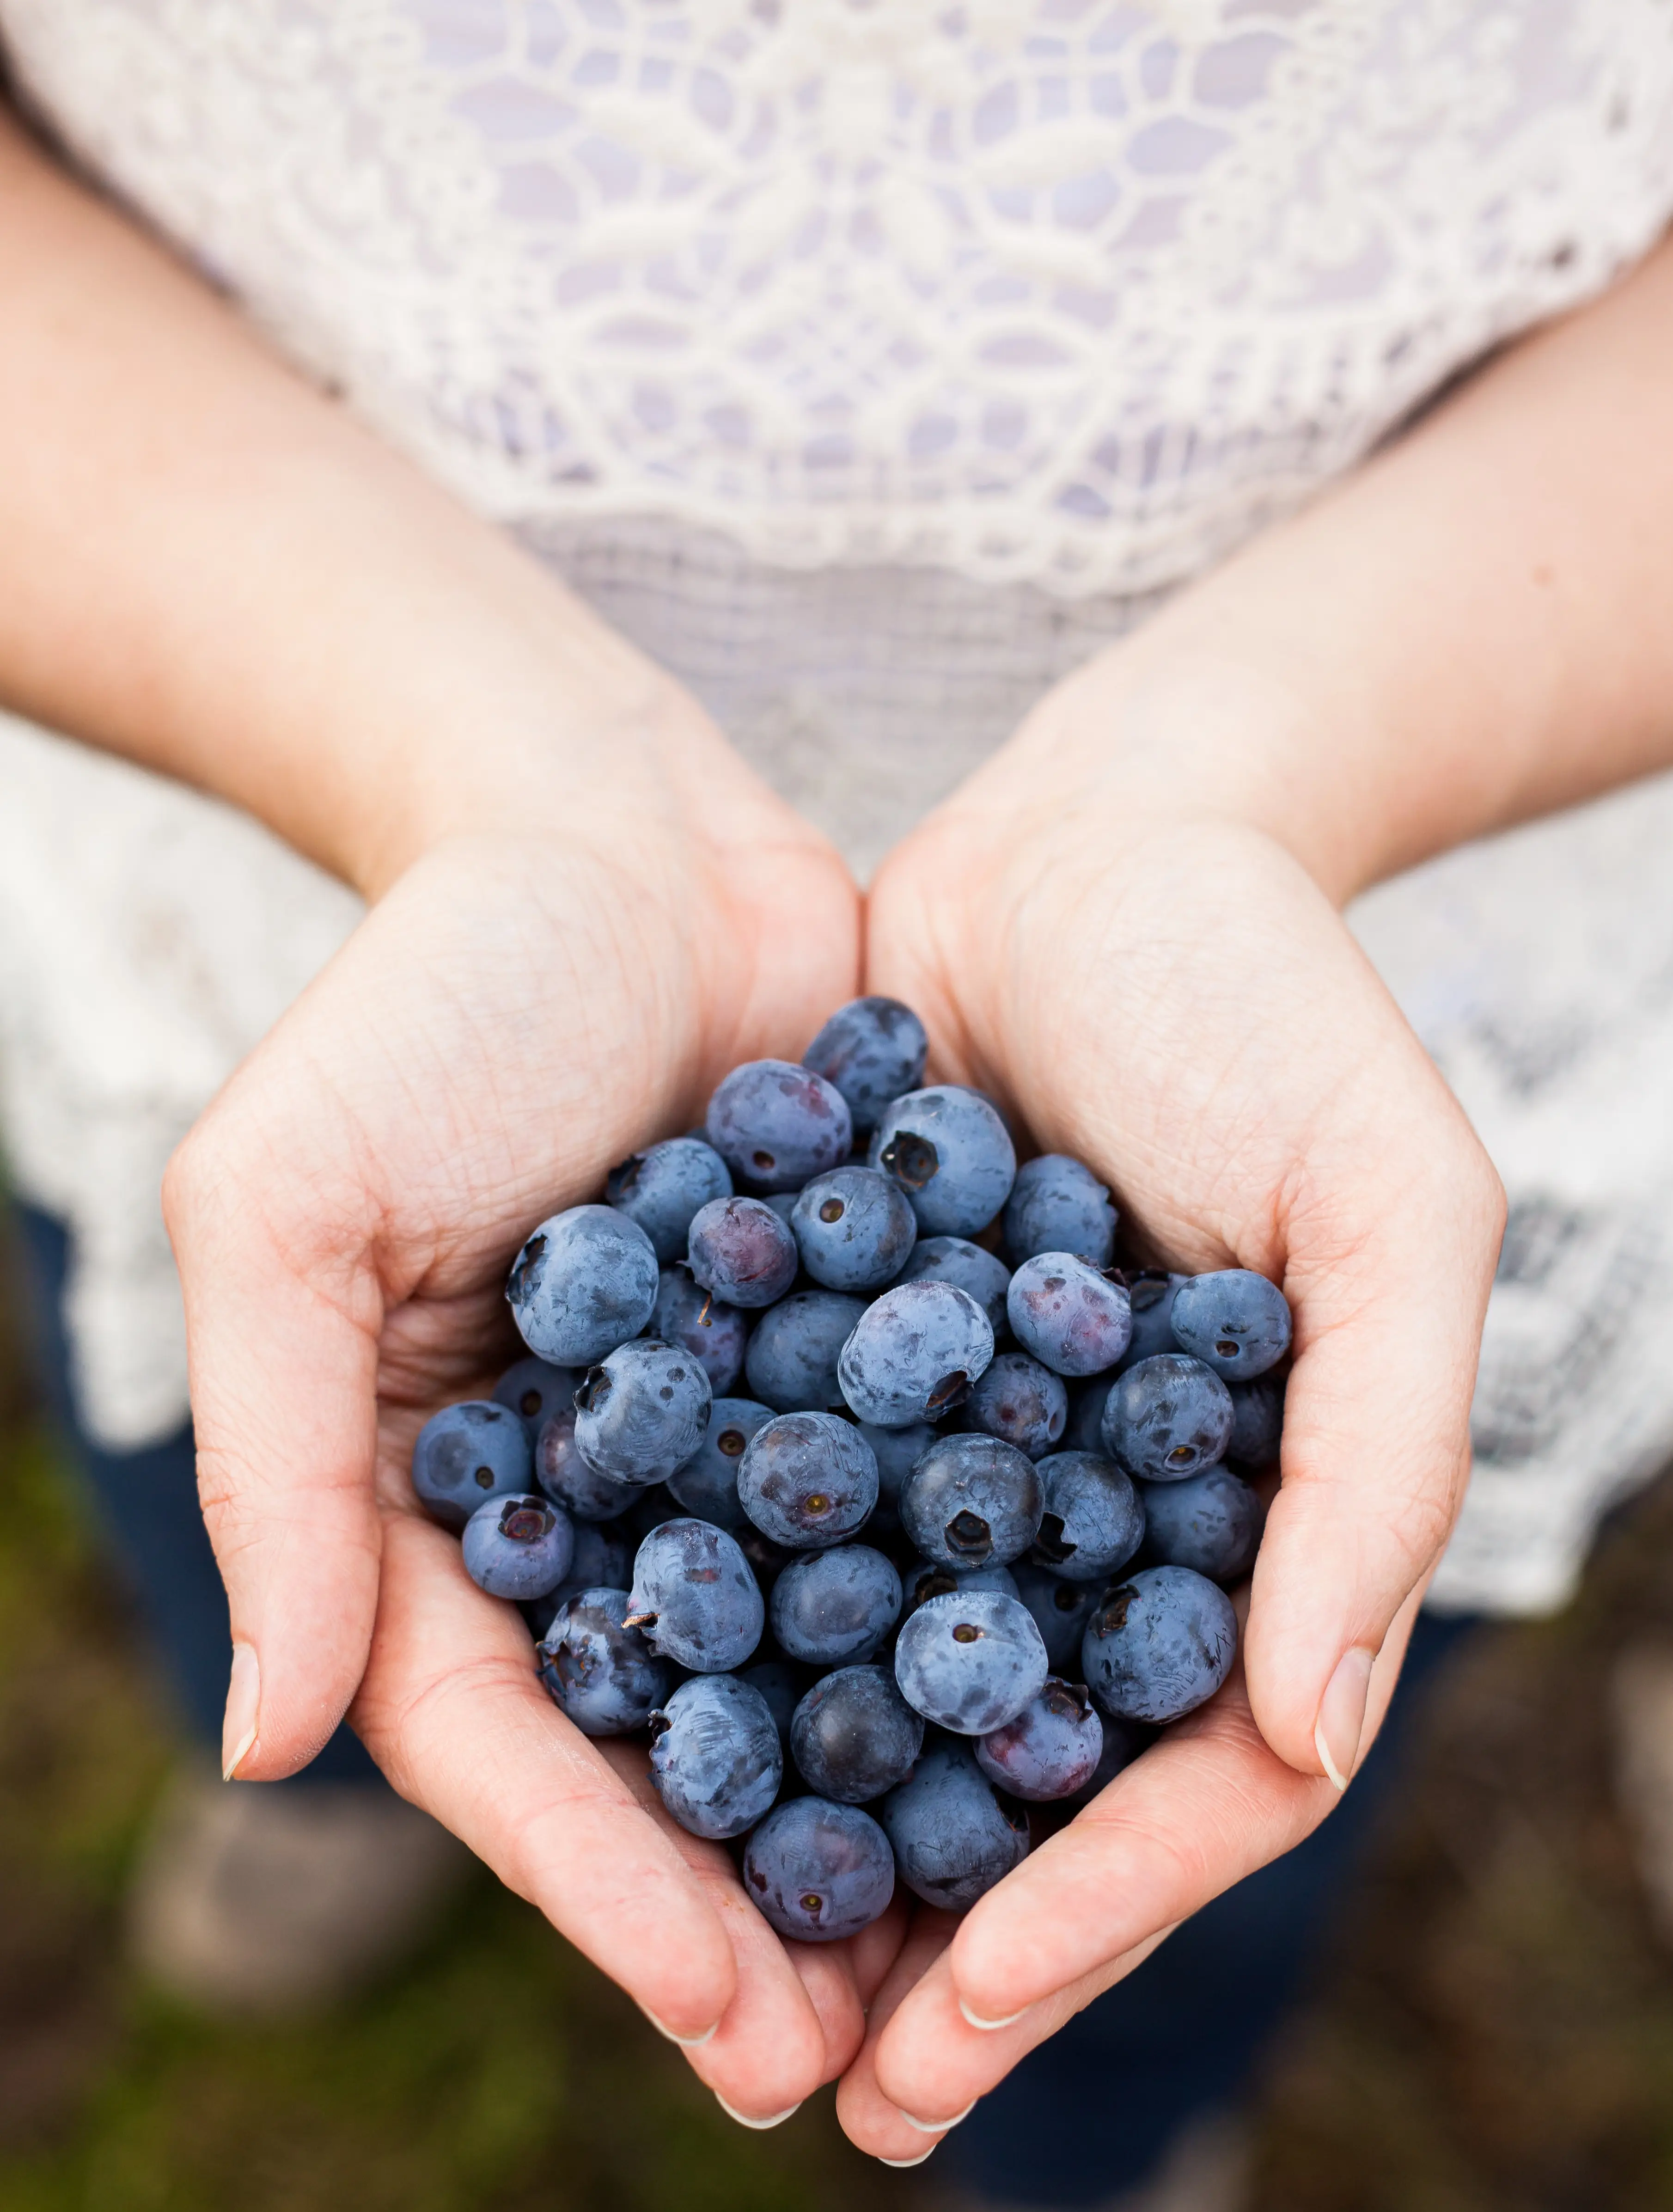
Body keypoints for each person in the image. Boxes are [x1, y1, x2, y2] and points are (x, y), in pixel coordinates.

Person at [1, 5, 1673, 2200]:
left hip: (1402, 822)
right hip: (293, 793)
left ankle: (1100, 2117)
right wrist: (482, 785)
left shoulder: (947, 1408)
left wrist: (1231, 788)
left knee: (1255, 1721)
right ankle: (324, 1791)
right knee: (257, 1492)